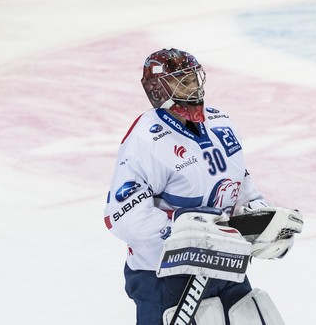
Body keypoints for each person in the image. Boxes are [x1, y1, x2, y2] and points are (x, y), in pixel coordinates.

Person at [104, 48, 303, 325]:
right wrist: (191, 233)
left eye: (194, 79)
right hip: (165, 277)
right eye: (181, 81)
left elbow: (240, 183)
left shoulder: (221, 122)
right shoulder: (145, 141)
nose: (193, 87)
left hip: (225, 265)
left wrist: (262, 220)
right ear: (156, 89)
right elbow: (123, 217)